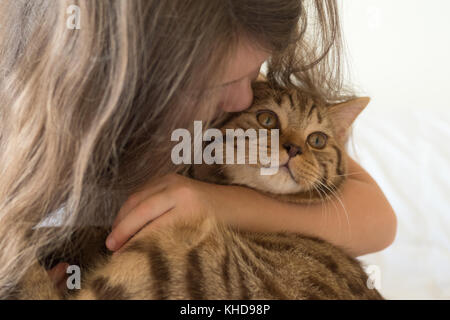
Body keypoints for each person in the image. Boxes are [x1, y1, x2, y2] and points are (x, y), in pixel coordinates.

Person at [0, 0, 396, 298]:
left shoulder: (230, 122)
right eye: (227, 82)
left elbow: (380, 220)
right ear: (154, 73)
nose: (245, 98)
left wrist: (213, 201)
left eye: (254, 74)